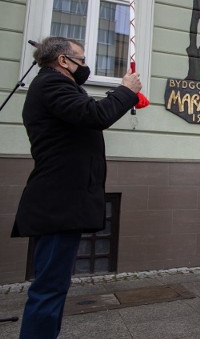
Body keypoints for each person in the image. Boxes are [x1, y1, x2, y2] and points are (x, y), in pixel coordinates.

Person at [11, 36, 142, 338]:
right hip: (59, 202)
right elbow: (95, 115)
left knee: (55, 286)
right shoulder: (52, 85)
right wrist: (126, 91)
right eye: (81, 60)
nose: (85, 66)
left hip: (63, 200)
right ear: (63, 61)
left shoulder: (58, 87)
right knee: (49, 288)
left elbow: (87, 112)